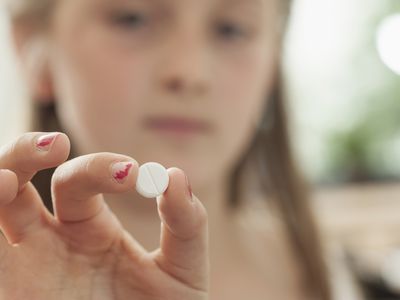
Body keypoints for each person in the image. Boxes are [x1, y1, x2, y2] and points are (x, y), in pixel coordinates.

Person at [0, 0, 362, 299]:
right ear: (33, 49)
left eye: (230, 29)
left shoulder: (340, 278)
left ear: (272, 63)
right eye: (132, 18)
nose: (189, 72)